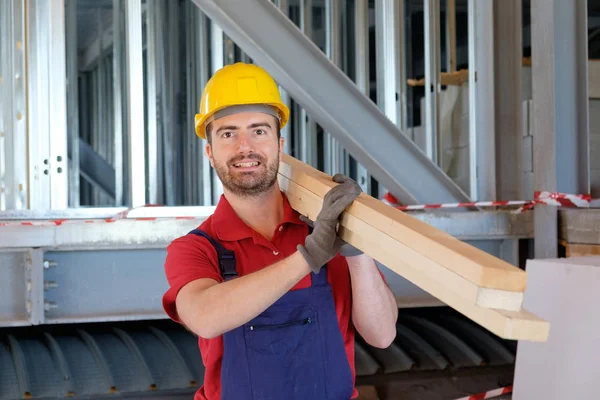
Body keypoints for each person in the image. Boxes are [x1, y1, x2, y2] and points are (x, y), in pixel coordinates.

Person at [162, 62, 398, 400]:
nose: (245, 147)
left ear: (279, 144)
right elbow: (204, 317)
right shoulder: (197, 248)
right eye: (228, 133)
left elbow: (382, 335)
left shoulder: (323, 226)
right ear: (210, 152)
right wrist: (310, 255)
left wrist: (356, 249)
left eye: (259, 130)